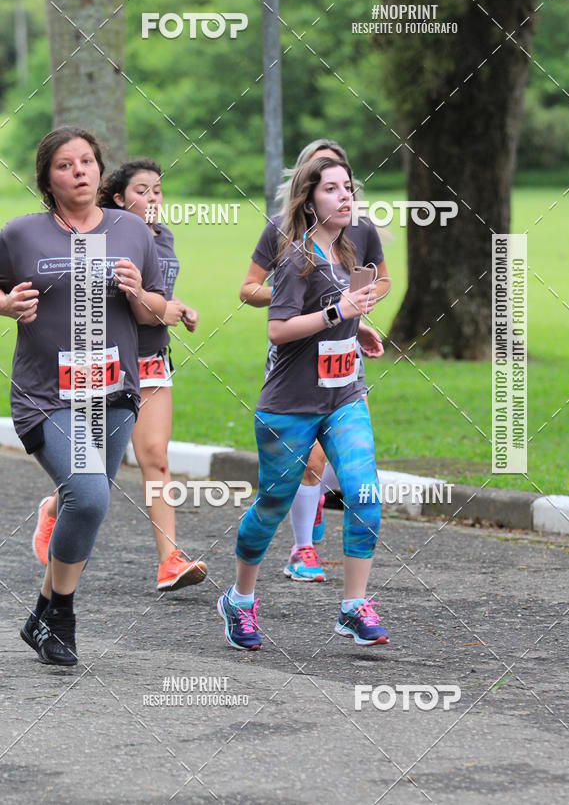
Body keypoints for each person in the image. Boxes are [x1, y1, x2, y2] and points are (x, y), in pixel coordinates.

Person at [0, 127, 167, 665]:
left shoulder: (132, 230)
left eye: (88, 161)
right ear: (47, 179)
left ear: (100, 169)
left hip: (112, 392)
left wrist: (139, 292)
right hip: (45, 394)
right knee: (90, 495)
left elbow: (155, 312)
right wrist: (6, 307)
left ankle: (40, 618)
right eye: (66, 164)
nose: (80, 170)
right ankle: (64, 615)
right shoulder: (21, 235)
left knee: (85, 506)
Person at [219, 156, 389, 650]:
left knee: (364, 495)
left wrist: (355, 328)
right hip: (289, 404)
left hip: (345, 398)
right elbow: (279, 327)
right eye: (331, 188)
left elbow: (364, 293)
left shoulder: (354, 244)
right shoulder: (296, 257)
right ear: (309, 199)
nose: (345, 196)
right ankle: (240, 600)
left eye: (348, 187)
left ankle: (353, 606)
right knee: (271, 505)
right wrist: (338, 311)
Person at [31, 160, 207, 591]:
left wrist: (175, 306)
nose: (153, 199)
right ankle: (53, 510)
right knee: (95, 478)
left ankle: (169, 560)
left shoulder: (163, 239)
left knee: (156, 459)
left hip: (153, 363)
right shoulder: (108, 238)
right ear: (119, 199)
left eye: (158, 190)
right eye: (143, 191)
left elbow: (154, 294)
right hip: (110, 370)